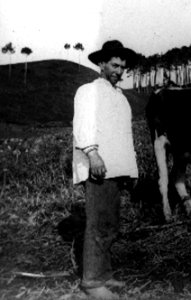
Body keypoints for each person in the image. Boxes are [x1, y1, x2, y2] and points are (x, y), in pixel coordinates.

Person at [72, 40, 138, 299]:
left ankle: (104, 273)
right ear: (101, 64)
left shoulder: (120, 98)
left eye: (122, 66)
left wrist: (131, 170)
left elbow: (125, 136)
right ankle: (91, 282)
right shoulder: (88, 91)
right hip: (98, 168)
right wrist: (93, 154)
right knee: (98, 225)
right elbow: (83, 125)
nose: (119, 70)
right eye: (114, 64)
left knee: (110, 224)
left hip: (116, 169)